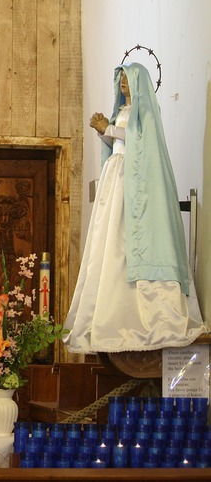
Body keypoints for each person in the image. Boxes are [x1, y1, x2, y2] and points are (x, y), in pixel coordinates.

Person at [64, 62, 204, 353]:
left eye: (128, 78)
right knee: (112, 240)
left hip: (134, 179)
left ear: (139, 83)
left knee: (131, 236)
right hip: (116, 176)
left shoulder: (146, 112)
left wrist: (109, 128)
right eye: (121, 79)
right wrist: (104, 130)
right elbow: (117, 141)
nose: (123, 83)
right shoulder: (121, 111)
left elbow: (141, 140)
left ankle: (148, 316)